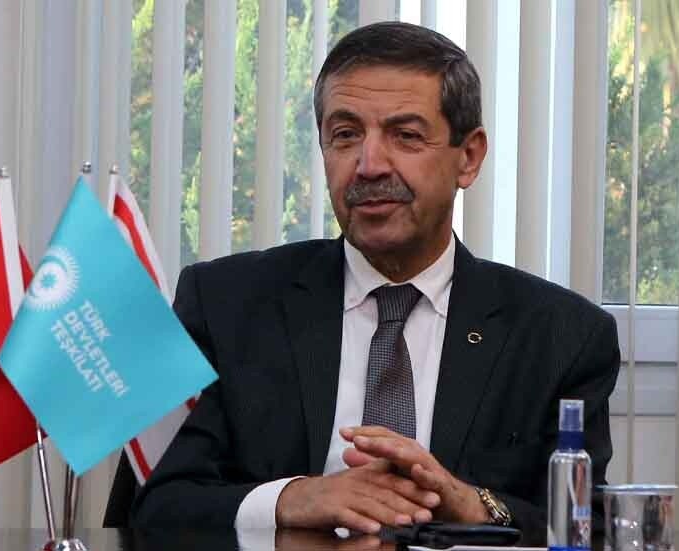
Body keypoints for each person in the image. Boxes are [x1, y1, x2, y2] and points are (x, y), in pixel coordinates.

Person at [108, 21, 619, 544]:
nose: (369, 166)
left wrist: (469, 503)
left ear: (468, 157)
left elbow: (589, 529)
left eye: (406, 136)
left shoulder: (560, 337)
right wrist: (291, 498)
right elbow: (156, 505)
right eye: (346, 135)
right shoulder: (224, 305)